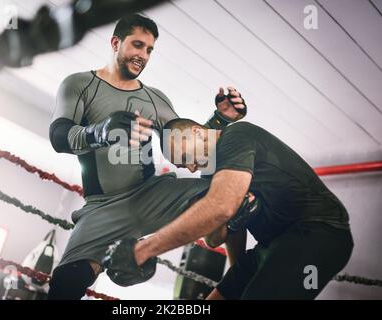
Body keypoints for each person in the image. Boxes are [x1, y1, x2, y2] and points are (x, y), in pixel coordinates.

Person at [47, 14, 250, 299]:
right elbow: (59, 136)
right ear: (116, 42)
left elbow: (185, 146)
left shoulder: (155, 99)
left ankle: (239, 273)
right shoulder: (80, 84)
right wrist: (99, 131)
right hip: (104, 205)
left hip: (153, 193)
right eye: (137, 45)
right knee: (65, 283)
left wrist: (220, 120)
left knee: (232, 192)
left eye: (149, 50)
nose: (142, 55)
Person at [105, 118, 354, 299]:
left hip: (319, 235)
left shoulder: (237, 136)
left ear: (197, 133)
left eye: (185, 158)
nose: (190, 168)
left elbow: (221, 207)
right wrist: (237, 272)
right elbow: (213, 238)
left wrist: (143, 249)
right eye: (183, 165)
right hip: (270, 247)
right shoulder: (210, 174)